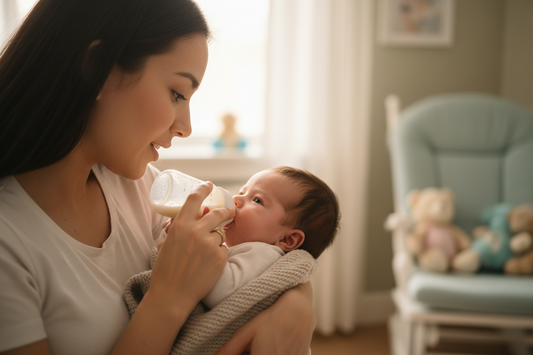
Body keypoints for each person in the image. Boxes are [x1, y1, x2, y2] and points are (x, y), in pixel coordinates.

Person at [0, 1, 315, 354]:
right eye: (177, 93)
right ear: (96, 69)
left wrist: (296, 303)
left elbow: (268, 261)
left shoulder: (138, 186)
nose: (186, 127)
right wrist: (169, 299)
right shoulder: (9, 244)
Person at [201, 166, 340, 308]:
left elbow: (219, 293)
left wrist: (201, 247)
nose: (236, 198)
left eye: (257, 200)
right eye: (242, 192)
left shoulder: (263, 253)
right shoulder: (245, 247)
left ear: (287, 239)